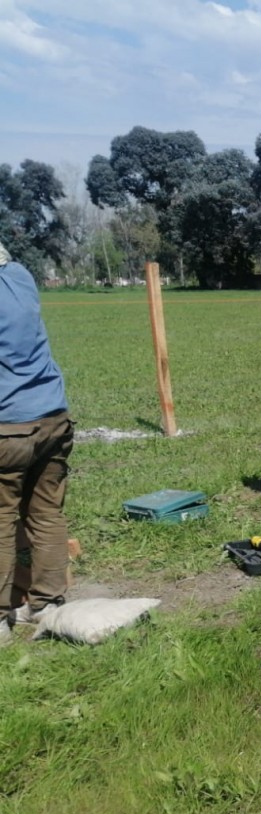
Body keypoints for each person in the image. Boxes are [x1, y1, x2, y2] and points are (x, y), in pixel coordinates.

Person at [0, 242, 73, 644]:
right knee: (46, 515)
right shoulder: (21, 276)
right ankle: (47, 605)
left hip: (7, 425)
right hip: (53, 418)